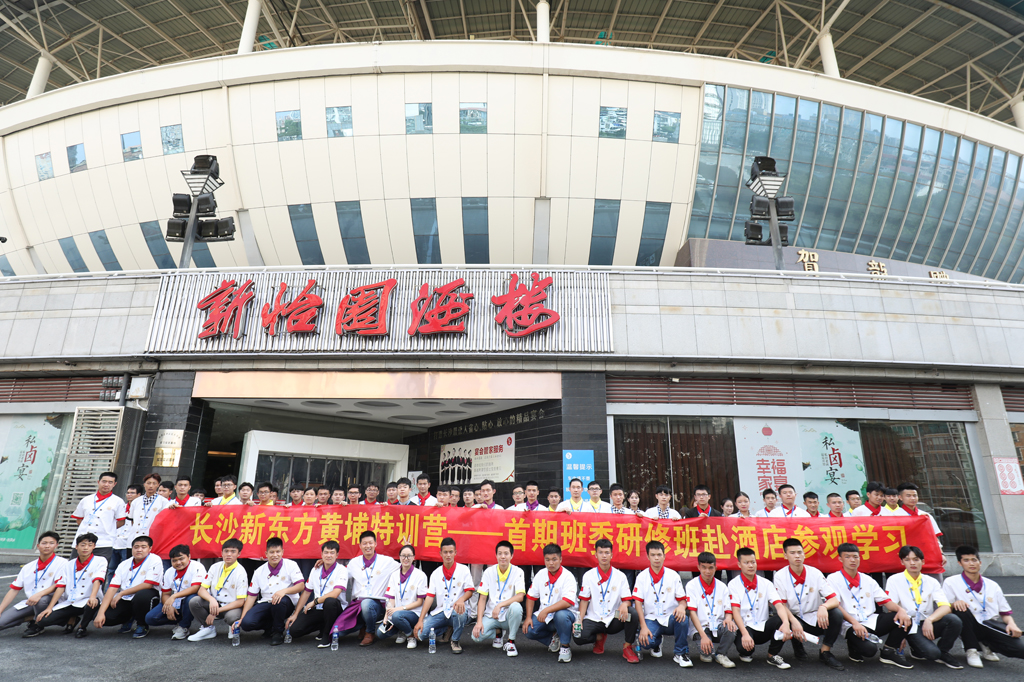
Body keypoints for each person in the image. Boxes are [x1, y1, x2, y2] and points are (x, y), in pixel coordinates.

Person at [826, 542, 913, 667]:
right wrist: (855, 623)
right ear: (840, 559)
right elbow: (836, 605)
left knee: (905, 619)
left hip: (870, 619)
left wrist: (901, 610)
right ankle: (853, 646)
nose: (852, 560)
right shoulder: (833, 579)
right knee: (869, 651)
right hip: (850, 623)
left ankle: (888, 651)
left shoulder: (867, 579)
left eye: (855, 557)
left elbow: (886, 601)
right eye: (847, 557)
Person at [943, 544, 1024, 667]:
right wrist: (954, 604)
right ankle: (971, 649)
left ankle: (986, 644)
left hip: (989, 624)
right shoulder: (951, 582)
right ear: (960, 563)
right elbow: (944, 608)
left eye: (974, 560)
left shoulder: (992, 585)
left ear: (980, 563)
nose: (971, 563)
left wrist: (1012, 624)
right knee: (960, 609)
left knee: (1020, 649)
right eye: (966, 560)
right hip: (968, 625)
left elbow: (1005, 612)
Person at [773, 538, 845, 670]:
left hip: (815, 615)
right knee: (780, 619)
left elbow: (834, 599)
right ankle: (796, 644)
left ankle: (825, 652)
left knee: (836, 613)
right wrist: (793, 621)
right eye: (792, 553)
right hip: (794, 616)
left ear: (804, 554)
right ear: (785, 555)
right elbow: (782, 605)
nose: (797, 556)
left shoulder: (815, 573)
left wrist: (823, 606)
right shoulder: (780, 576)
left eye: (800, 552)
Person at [885, 545, 962, 668]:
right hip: (909, 625)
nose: (912, 563)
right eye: (907, 560)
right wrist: (899, 635)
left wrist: (930, 620)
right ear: (902, 562)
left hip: (927, 623)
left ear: (923, 561)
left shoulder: (931, 581)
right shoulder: (894, 580)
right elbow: (891, 607)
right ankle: (917, 648)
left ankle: (943, 651)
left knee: (954, 620)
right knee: (932, 654)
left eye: (916, 559)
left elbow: (945, 606)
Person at [573, 538, 638, 661]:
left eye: (607, 553)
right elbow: (584, 600)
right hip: (594, 618)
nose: (604, 556)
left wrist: (625, 604)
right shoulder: (588, 575)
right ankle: (599, 638)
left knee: (632, 613)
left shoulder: (620, 576)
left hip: (614, 618)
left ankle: (627, 646)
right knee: (578, 636)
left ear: (612, 555)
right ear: (595, 555)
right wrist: (579, 620)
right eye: (601, 552)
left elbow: (627, 599)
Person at [88, 535, 163, 638]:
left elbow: (148, 584)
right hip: (126, 598)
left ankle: (142, 624)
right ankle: (129, 618)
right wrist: (101, 613)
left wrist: (121, 593)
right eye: (136, 547)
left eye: (143, 547)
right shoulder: (124, 564)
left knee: (142, 596)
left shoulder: (155, 560)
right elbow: (112, 588)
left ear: (150, 549)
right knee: (106, 617)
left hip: (147, 596)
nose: (139, 550)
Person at [729, 547, 792, 668]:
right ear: (739, 564)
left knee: (781, 619)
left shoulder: (766, 583)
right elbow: (735, 611)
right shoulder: (733, 584)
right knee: (745, 650)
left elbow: (779, 605)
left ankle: (772, 655)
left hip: (763, 626)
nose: (751, 565)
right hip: (745, 626)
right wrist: (745, 634)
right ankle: (745, 651)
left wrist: (786, 623)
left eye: (753, 562)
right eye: (746, 563)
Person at [32, 533, 106, 637]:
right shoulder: (69, 564)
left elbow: (97, 580)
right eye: (82, 545)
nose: (86, 548)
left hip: (87, 599)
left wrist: (93, 596)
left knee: (92, 604)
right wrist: (50, 607)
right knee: (42, 621)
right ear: (76, 547)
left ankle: (82, 627)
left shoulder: (100, 560)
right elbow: (61, 586)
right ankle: (72, 619)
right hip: (70, 601)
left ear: (94, 547)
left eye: (90, 545)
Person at [235, 537, 305, 645]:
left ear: (282, 552)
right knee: (247, 623)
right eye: (271, 552)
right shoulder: (259, 571)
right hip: (266, 601)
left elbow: (301, 586)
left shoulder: (291, 565)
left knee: (279, 602)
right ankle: (270, 626)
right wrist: (242, 618)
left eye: (278, 552)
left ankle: (278, 632)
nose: (275, 555)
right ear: (266, 554)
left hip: (286, 602)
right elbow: (252, 596)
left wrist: (283, 591)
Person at [632, 540, 691, 667]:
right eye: (653, 555)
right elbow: (638, 603)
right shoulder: (642, 577)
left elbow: (682, 599)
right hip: (651, 618)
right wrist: (643, 626)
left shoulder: (673, 575)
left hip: (670, 617)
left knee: (683, 619)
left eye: (659, 554)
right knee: (645, 642)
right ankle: (656, 642)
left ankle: (680, 653)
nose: (656, 558)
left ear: (664, 556)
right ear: (648, 557)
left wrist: (681, 606)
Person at [413, 537, 475, 653]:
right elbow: (429, 597)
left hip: (457, 609)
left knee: (460, 612)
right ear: (440, 553)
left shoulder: (464, 569)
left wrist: (461, 599)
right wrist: (420, 620)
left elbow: (470, 591)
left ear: (455, 552)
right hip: (441, 611)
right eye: (445, 552)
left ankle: (455, 640)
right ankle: (446, 629)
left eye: (451, 552)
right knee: (420, 635)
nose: (448, 555)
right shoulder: (435, 573)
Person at [338, 530, 399, 646]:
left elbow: (404, 567)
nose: (368, 546)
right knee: (338, 633)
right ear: (360, 545)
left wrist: (407, 549)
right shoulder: (354, 563)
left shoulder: (387, 561)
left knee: (366, 604)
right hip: (357, 606)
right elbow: (340, 573)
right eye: (364, 543)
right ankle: (362, 624)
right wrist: (326, 563)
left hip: (377, 605)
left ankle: (369, 632)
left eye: (370, 543)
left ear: (375, 544)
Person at [0, 531, 68, 634]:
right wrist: (0, 609)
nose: (47, 546)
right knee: (1, 622)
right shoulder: (28, 567)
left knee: (41, 600)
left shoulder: (63, 563)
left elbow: (59, 585)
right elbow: (14, 589)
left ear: (56, 546)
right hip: (31, 602)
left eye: (51, 543)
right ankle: (31, 617)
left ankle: (38, 625)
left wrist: (39, 594)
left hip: (51, 601)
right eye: (44, 543)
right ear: (38, 546)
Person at [285, 541, 347, 644]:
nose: (329, 555)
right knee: (294, 631)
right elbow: (306, 592)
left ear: (337, 555)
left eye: (332, 553)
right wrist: (295, 614)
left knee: (330, 601)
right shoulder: (316, 569)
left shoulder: (342, 570)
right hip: (319, 609)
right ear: (321, 554)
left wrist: (315, 601)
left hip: (335, 609)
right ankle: (323, 626)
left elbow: (335, 593)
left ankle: (327, 635)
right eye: (326, 552)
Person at [523, 543, 577, 663]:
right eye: (547, 560)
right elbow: (531, 597)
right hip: (545, 616)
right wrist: (528, 617)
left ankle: (565, 647)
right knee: (529, 630)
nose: (551, 563)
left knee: (561, 615)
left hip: (565, 615)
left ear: (560, 559)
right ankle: (553, 639)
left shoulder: (568, 576)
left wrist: (546, 610)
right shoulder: (541, 574)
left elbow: (567, 602)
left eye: (554, 559)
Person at [187, 538, 248, 641]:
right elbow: (201, 590)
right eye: (226, 551)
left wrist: (216, 611)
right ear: (222, 553)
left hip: (231, 606)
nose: (229, 554)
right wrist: (211, 600)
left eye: (233, 551)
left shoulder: (241, 572)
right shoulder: (215, 567)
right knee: (194, 602)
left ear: (239, 554)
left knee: (232, 617)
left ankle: (232, 626)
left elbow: (240, 601)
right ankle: (208, 628)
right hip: (214, 603)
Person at [471, 540, 526, 656]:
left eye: (506, 553)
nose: (503, 557)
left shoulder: (518, 572)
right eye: (500, 553)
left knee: (516, 607)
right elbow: (482, 598)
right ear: (496, 555)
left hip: (507, 615)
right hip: (491, 615)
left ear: (512, 555)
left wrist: (500, 605)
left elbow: (520, 596)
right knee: (476, 636)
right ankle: (498, 632)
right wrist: (479, 622)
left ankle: (511, 641)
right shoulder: (488, 572)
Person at [684, 552, 736, 668]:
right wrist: (703, 636)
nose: (707, 571)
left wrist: (728, 619)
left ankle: (721, 654)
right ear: (698, 567)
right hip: (700, 627)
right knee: (706, 655)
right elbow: (692, 613)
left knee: (731, 628)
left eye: (711, 568)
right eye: (704, 567)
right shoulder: (691, 585)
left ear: (715, 568)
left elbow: (728, 610)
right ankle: (706, 647)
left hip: (717, 624)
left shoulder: (722, 586)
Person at [144, 544, 203, 640]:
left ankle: (184, 627)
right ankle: (180, 620)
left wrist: (174, 596)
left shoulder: (197, 566)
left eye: (181, 559)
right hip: (176, 601)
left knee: (191, 599)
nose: (178, 563)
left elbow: (195, 588)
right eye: (174, 560)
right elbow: (166, 594)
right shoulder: (169, 572)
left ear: (189, 556)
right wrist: (169, 606)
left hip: (191, 600)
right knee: (150, 618)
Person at [377, 545, 427, 648]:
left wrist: (399, 609)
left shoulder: (420, 575)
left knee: (397, 616)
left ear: (414, 557)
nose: (406, 558)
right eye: (403, 556)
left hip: (414, 613)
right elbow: (391, 599)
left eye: (409, 556)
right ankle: (402, 629)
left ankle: (410, 635)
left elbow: (420, 602)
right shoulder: (394, 575)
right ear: (399, 557)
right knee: (380, 633)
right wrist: (386, 617)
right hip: (397, 613)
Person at [70, 471, 126, 562]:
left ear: (114, 484)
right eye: (104, 481)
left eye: (110, 482)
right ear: (98, 482)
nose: (106, 484)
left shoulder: (118, 501)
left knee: (100, 566)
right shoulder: (86, 499)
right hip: (82, 540)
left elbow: (121, 522)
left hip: (104, 542)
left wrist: (107, 527)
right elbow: (79, 519)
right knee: (75, 565)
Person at [898, 482, 946, 571]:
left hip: (926, 555)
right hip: (906, 557)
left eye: (915, 495)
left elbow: (934, 537)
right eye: (908, 496)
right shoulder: (895, 516)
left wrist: (941, 554)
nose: (912, 498)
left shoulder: (926, 516)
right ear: (900, 497)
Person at [109, 484, 140, 583]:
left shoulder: (140, 508)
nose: (129, 495)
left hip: (127, 543)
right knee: (111, 569)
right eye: (128, 493)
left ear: (139, 495)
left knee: (125, 569)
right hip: (115, 541)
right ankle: (109, 588)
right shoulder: (121, 506)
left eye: (132, 493)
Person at [130, 473, 171, 540]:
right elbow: (132, 520)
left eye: (154, 483)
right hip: (135, 537)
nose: (151, 486)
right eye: (148, 483)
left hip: (152, 537)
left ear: (158, 485)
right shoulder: (136, 501)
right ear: (144, 484)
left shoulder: (163, 502)